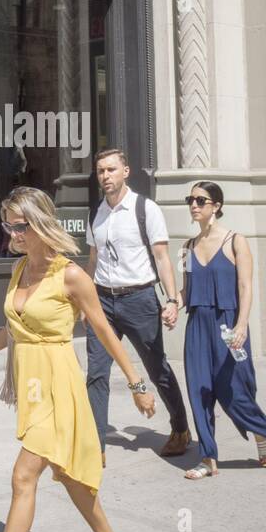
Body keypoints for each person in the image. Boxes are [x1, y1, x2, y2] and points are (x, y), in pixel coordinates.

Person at [0, 186, 155, 532]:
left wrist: (136, 383)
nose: (11, 232)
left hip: (58, 385)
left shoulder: (71, 275)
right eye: (6, 224)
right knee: (73, 477)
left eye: (18, 225)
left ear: (40, 224)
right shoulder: (20, 269)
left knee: (23, 476)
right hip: (30, 386)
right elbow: (14, 329)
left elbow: (102, 329)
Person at [85, 147, 192, 458]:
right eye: (101, 171)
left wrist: (171, 300)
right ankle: (96, 445)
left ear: (126, 171)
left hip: (139, 299)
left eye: (111, 170)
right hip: (102, 300)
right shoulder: (96, 212)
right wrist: (86, 300)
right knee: (96, 372)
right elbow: (93, 260)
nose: (105, 176)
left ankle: (180, 427)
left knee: (156, 367)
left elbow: (162, 258)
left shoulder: (145, 209)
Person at [179, 182, 266, 479]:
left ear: (217, 205)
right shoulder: (186, 248)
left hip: (228, 323)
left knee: (233, 387)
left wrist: (242, 324)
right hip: (197, 323)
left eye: (201, 200)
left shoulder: (236, 241)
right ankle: (207, 458)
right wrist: (171, 305)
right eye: (190, 200)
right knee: (199, 389)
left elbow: (246, 286)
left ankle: (260, 430)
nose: (194, 205)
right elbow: (186, 291)